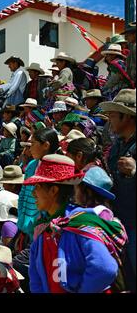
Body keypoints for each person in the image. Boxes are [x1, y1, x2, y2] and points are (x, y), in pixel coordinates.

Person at [26, 154, 127, 293]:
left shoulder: (80, 224)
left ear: (53, 190)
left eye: (36, 187)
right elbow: (35, 277)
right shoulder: (43, 229)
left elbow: (105, 268)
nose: (33, 193)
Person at [100, 89, 136, 290]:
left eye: (113, 115)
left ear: (127, 116)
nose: (110, 120)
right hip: (122, 221)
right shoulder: (116, 147)